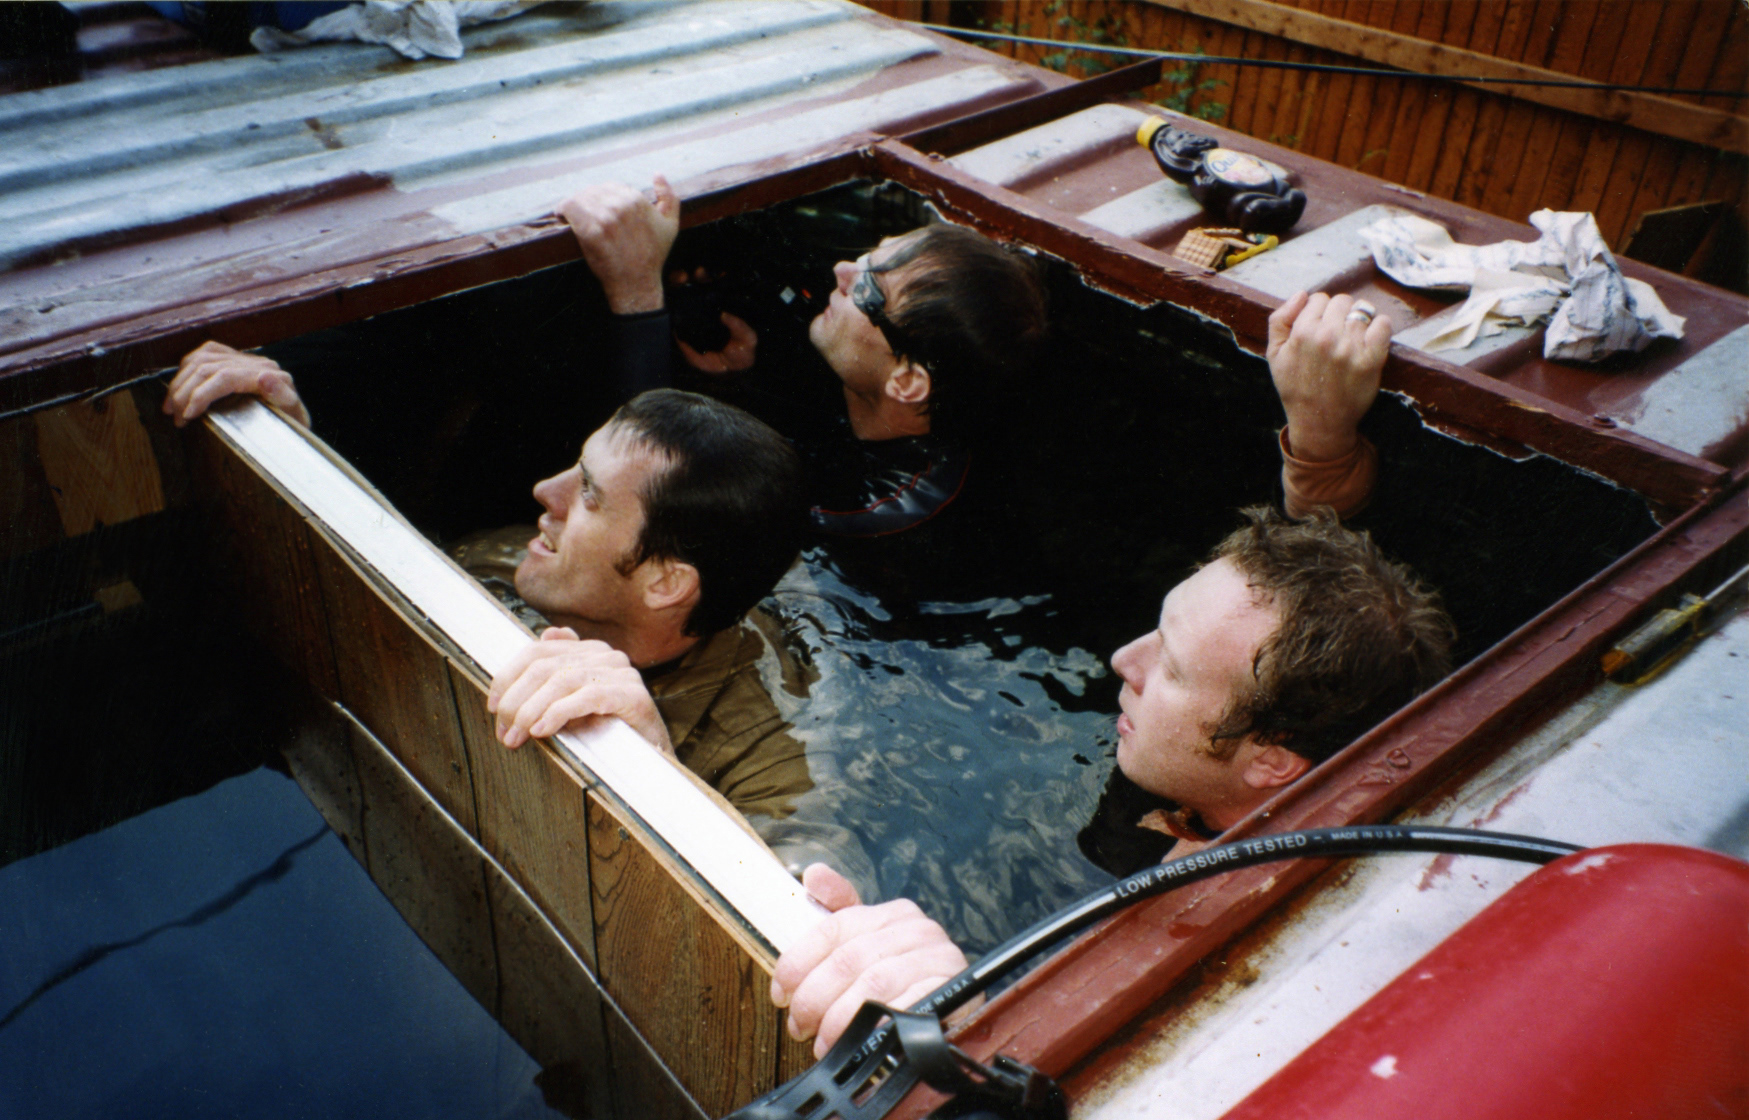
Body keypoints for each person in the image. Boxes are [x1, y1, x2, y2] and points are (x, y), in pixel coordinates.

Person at [765, 289, 1451, 1058]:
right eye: (1158, 627)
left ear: (1271, 763)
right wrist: (1321, 444)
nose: (1123, 659)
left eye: (1172, 668)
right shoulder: (1290, 728)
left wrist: (961, 1015)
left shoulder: (1238, 924)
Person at [162, 342, 820, 826]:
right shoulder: (503, 557)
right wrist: (288, 445)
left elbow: (799, 910)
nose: (546, 491)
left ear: (665, 582)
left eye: (589, 495)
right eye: (575, 467)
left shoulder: (769, 745)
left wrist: (656, 764)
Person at [556, 176, 1051, 540]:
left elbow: (647, 504)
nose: (841, 269)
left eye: (869, 288)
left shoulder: (874, 510)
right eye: (867, 256)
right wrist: (736, 385)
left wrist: (637, 293)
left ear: (905, 381)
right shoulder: (887, 408)